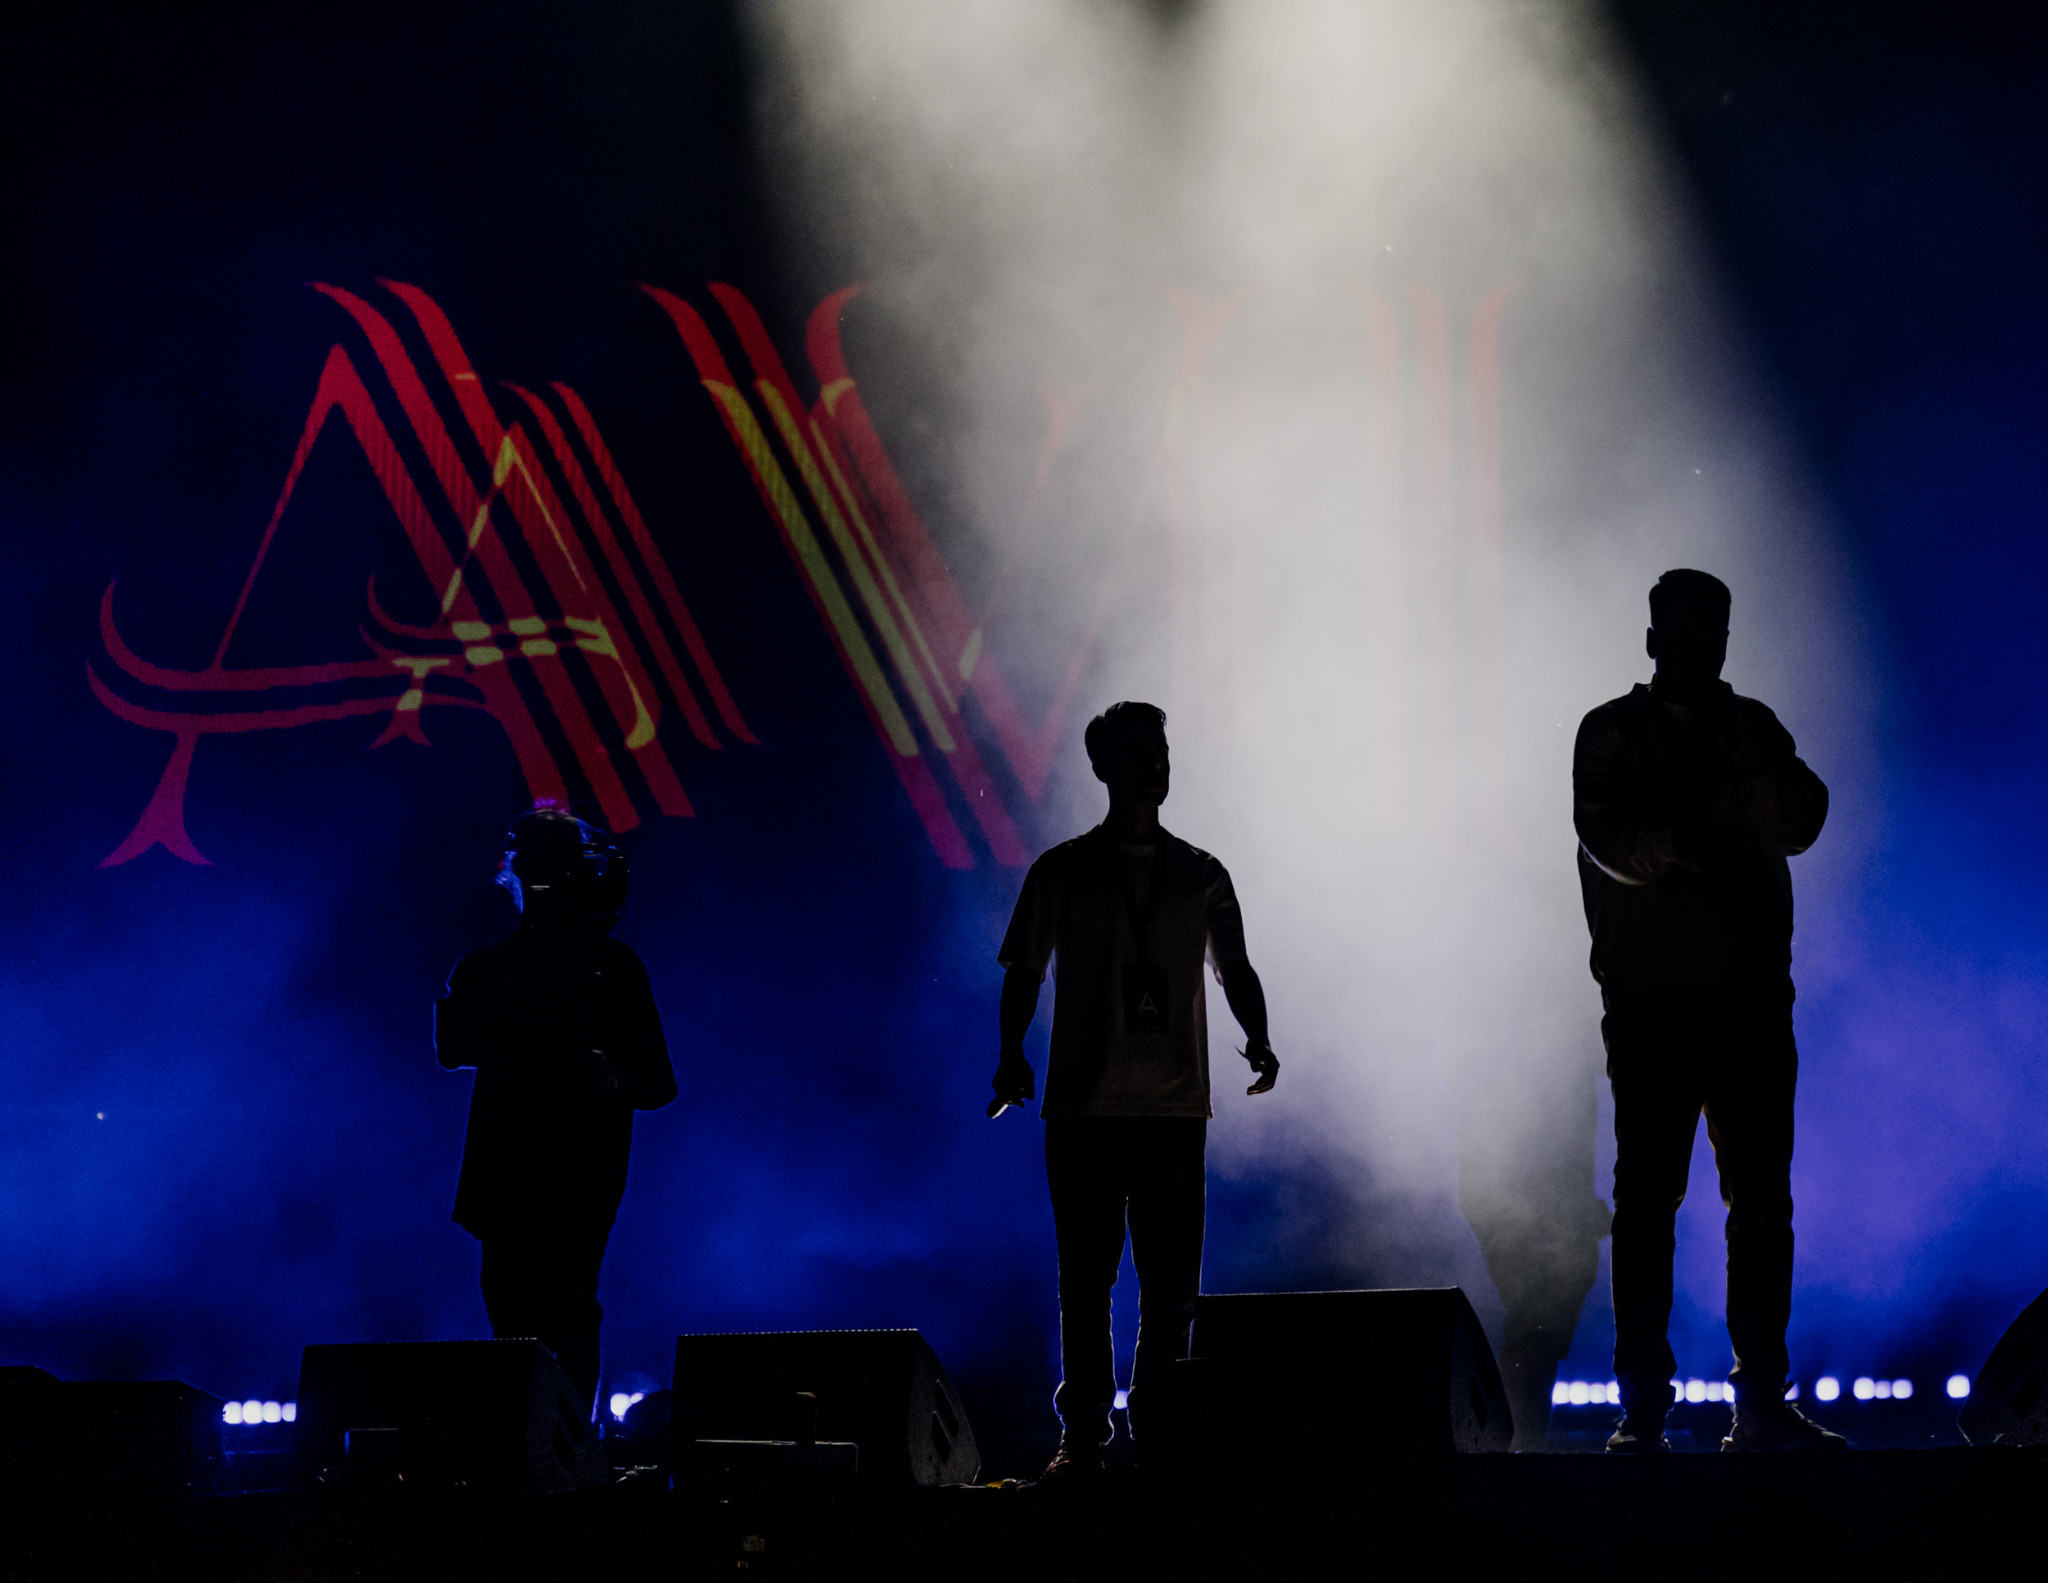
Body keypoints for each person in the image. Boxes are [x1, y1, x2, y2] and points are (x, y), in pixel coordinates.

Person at [1573, 570, 1842, 1452]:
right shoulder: (1610, 734)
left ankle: (1758, 1397)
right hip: (1653, 1003)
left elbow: (1804, 816)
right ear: (1653, 637)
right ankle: (1643, 1405)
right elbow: (1615, 842)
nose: (1701, 647)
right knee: (1648, 1202)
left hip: (1747, 997)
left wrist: (1743, 778)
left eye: (1713, 631)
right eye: (1686, 631)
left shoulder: (1751, 728)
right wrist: (1708, 818)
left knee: (1759, 1200)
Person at [993, 701, 1280, 1478]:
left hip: (1174, 1107)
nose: (1157, 764)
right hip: (1086, 1105)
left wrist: (1258, 1033)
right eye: (1141, 752)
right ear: (1104, 767)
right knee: (1087, 1281)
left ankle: (1155, 1427)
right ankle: (1085, 1433)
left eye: (1161, 750)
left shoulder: (1202, 872)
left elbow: (1237, 968)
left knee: (1169, 1288)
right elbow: (1023, 969)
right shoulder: (1063, 869)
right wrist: (1010, 1051)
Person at [435, 805, 677, 1409]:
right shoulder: (488, 966)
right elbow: (452, 1047)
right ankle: (541, 1444)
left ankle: (566, 1446)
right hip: (507, 1175)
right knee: (513, 1308)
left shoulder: (615, 967)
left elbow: (657, 1082)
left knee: (567, 1307)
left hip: (578, 1174)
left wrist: (609, 1080)